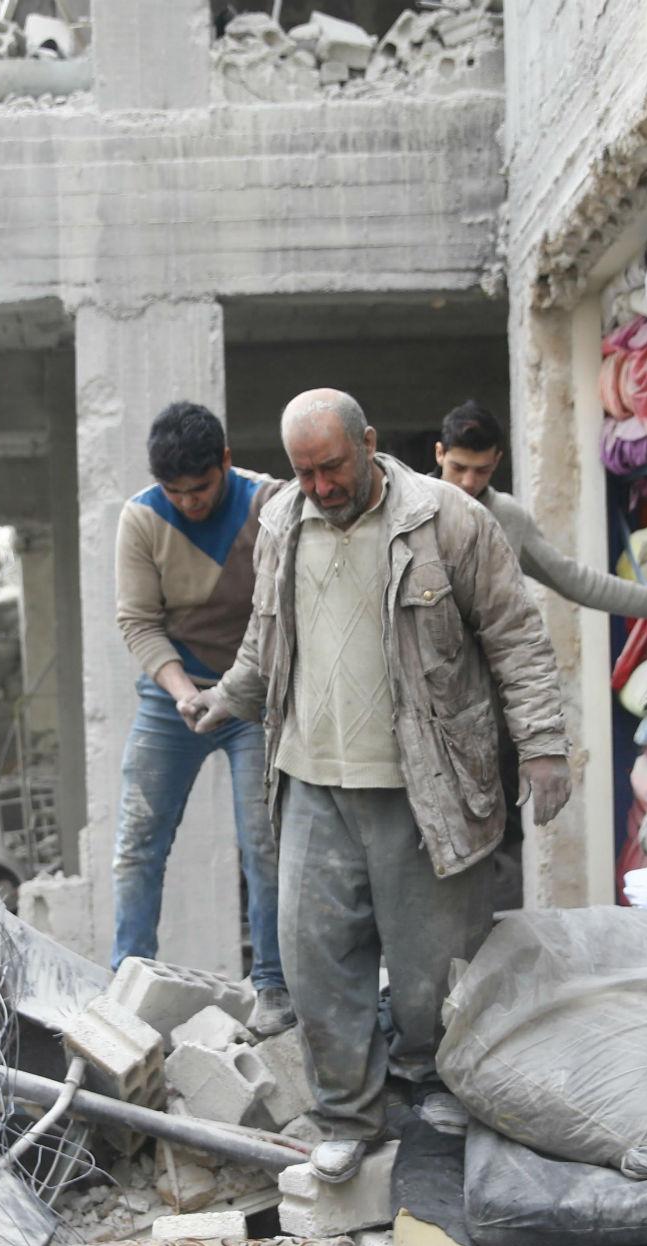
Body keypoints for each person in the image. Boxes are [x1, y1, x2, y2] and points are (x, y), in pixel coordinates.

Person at [183, 389, 572, 1182]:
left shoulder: (448, 521)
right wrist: (227, 696)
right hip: (311, 780)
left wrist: (542, 747)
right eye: (304, 471)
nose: (320, 486)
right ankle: (347, 1114)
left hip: (419, 782)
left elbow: (516, 637)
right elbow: (265, 640)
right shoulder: (282, 523)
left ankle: (437, 1084)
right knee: (314, 958)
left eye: (332, 467)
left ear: (369, 441)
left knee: (431, 966)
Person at [112, 401, 288, 1032]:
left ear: (227, 463)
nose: (188, 503)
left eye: (202, 488)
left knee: (264, 846)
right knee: (138, 843)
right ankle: (126, 983)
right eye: (174, 492)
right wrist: (182, 688)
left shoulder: (272, 506)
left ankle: (272, 986)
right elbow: (138, 620)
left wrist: (237, 691)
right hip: (173, 697)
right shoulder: (141, 518)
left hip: (253, 697)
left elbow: (283, 613)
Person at [433, 400, 647, 623]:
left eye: (481, 471)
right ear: (440, 453)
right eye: (459, 467)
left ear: (497, 461)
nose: (468, 481)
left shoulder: (507, 517)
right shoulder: (408, 509)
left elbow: (573, 579)